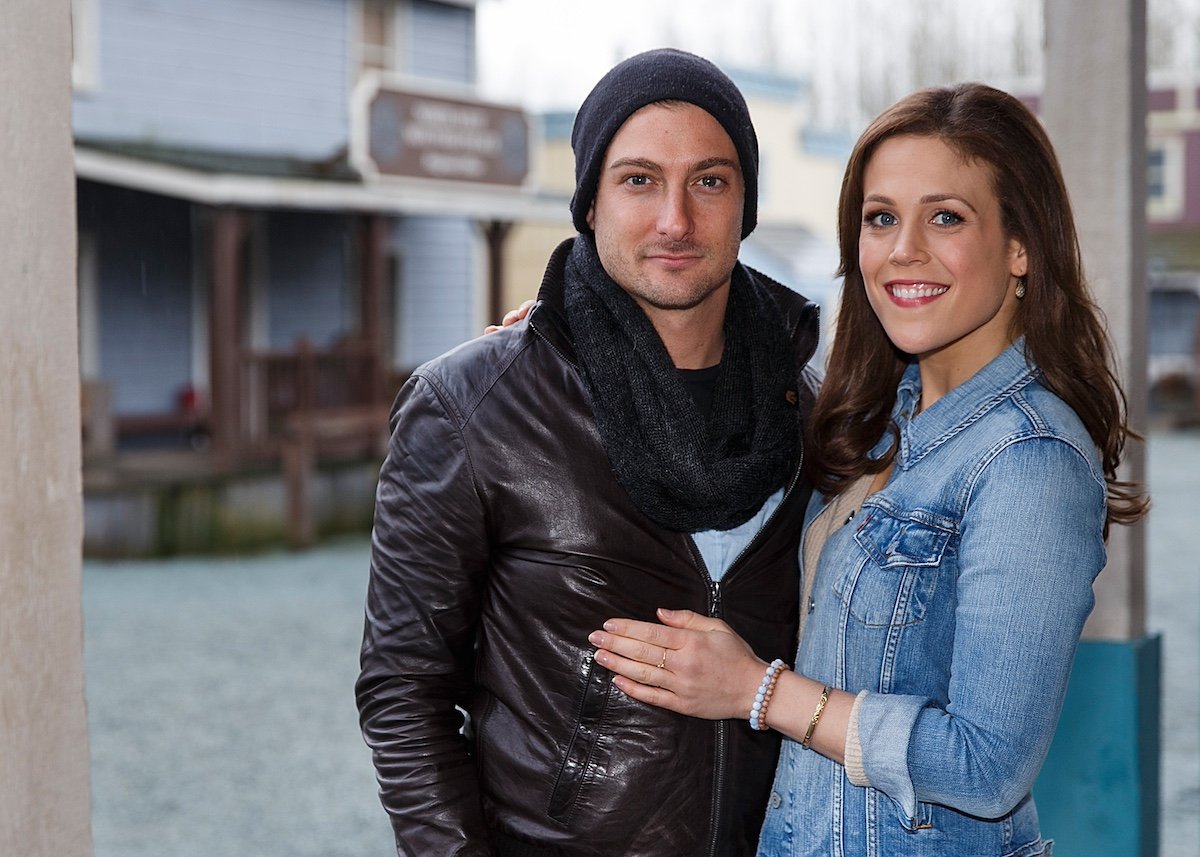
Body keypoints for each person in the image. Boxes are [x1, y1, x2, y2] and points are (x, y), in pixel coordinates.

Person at [587, 82, 1150, 856]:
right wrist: (567, 332)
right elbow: (711, 373)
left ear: (1022, 245)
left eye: (945, 217)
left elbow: (989, 767)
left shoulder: (1032, 461)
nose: (903, 249)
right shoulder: (879, 420)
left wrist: (759, 691)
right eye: (881, 218)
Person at [355, 48, 822, 857]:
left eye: (708, 180)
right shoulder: (472, 408)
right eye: (639, 179)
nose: (675, 218)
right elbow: (405, 694)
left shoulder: (810, 409)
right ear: (590, 202)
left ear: (744, 202)